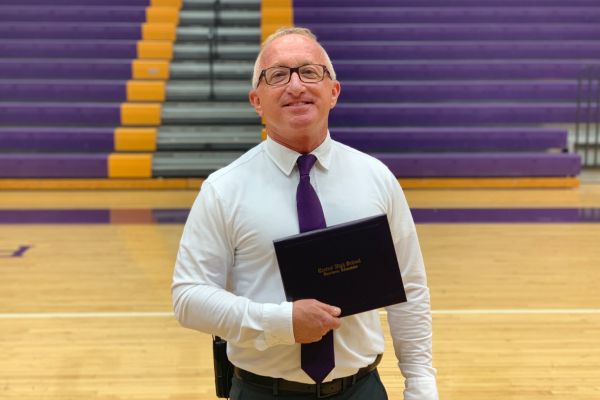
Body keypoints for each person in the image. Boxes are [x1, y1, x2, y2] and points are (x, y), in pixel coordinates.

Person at [172, 26, 438, 400]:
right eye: (277, 75)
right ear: (256, 100)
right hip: (261, 391)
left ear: (334, 92)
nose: (295, 85)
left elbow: (409, 289)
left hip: (361, 390)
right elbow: (188, 297)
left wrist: (421, 385)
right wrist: (280, 322)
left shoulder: (376, 178)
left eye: (310, 72)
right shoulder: (223, 189)